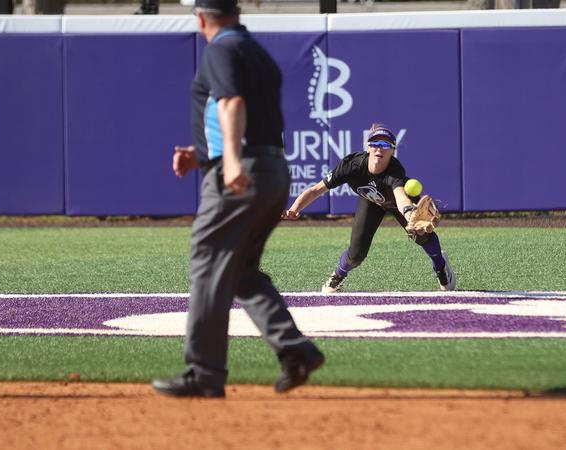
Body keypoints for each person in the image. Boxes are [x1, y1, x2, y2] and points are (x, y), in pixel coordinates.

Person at [152, 0, 324, 398]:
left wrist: (229, 161)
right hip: (273, 168)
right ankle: (295, 349)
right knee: (241, 271)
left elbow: (231, 103)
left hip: (242, 169)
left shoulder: (221, 48)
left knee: (208, 263)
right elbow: (250, 115)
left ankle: (204, 372)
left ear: (200, 18)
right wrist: (204, 154)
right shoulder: (256, 52)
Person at [283, 124, 456, 293]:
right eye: (375, 144)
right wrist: (294, 209)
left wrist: (410, 213)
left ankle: (441, 266)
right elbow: (315, 190)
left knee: (422, 235)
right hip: (370, 201)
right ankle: (338, 275)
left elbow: (400, 196)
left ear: (392, 150)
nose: (379, 149)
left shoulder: (394, 170)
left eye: (385, 145)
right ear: (368, 147)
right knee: (356, 254)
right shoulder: (351, 165)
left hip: (399, 203)